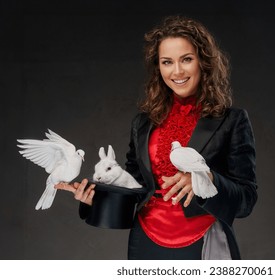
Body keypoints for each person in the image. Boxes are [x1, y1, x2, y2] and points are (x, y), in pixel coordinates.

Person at [56, 15, 258, 260]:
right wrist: (95, 197)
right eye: (167, 62)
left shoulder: (232, 120)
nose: (177, 71)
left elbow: (246, 201)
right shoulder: (143, 123)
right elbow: (135, 189)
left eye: (186, 59)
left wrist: (206, 179)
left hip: (204, 239)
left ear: (203, 62)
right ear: (158, 67)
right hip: (145, 242)